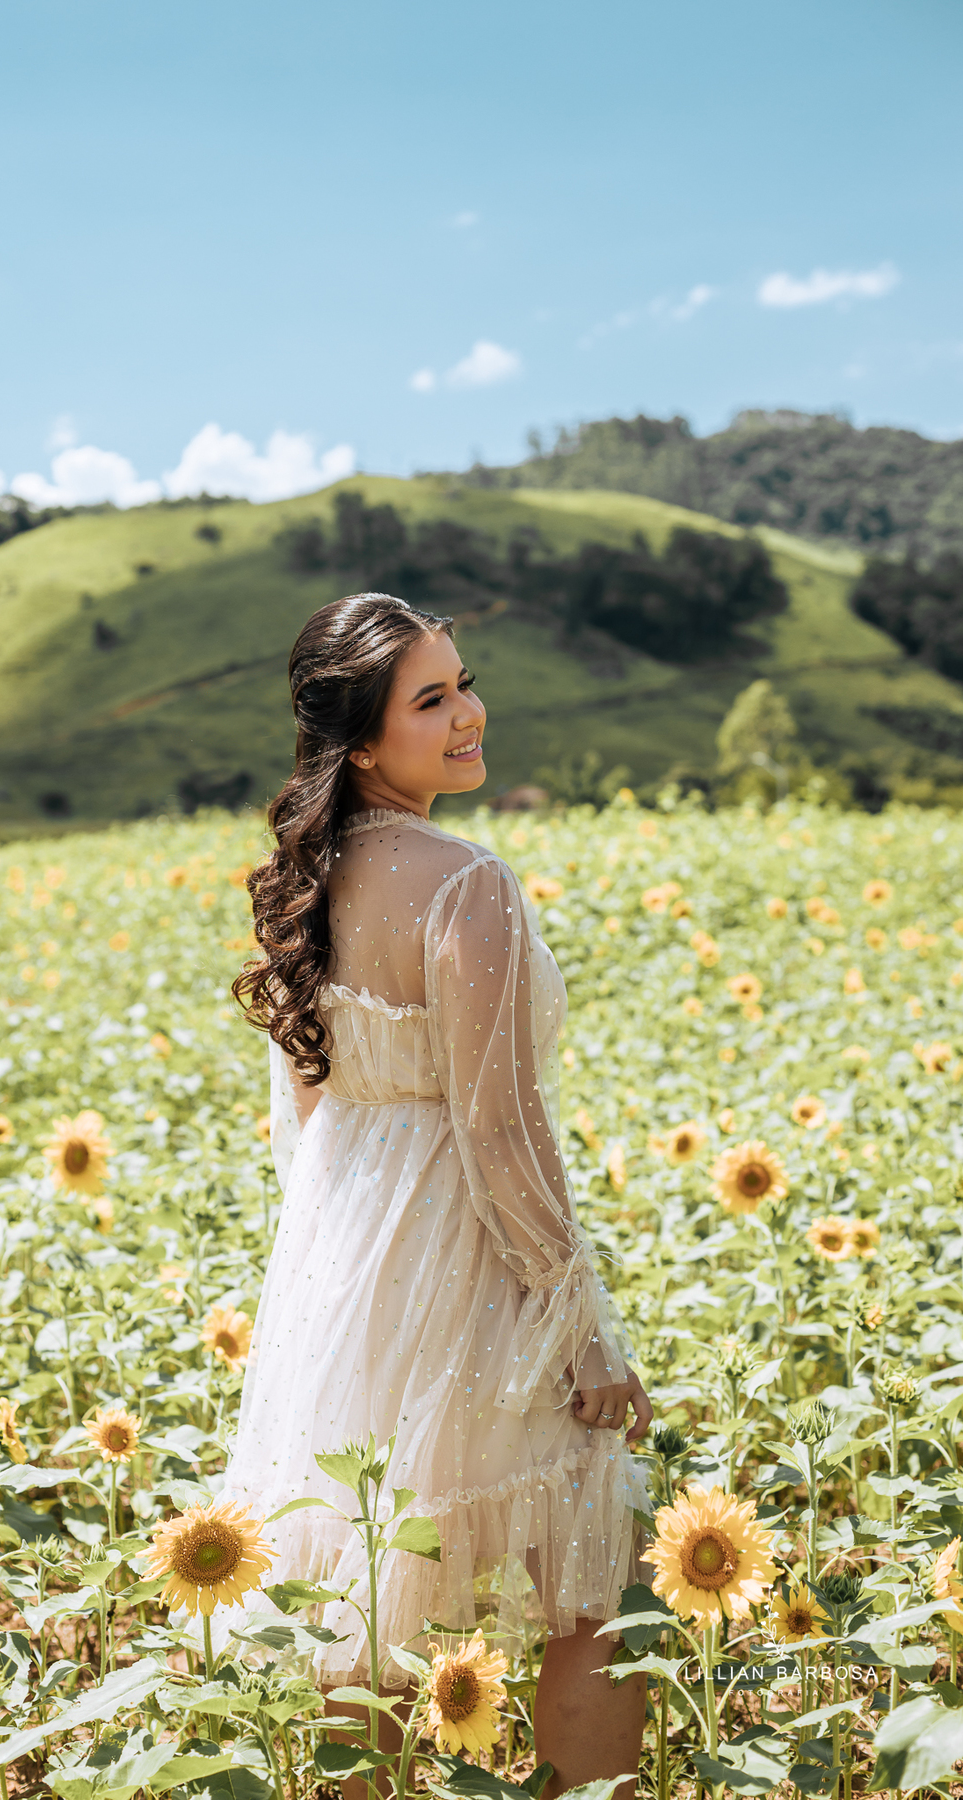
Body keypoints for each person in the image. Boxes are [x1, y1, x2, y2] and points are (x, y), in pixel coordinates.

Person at [228, 593, 653, 1795]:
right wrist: (575, 1325)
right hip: (471, 1256)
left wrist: (328, 1282)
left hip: (346, 1264)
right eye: (431, 698)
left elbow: (303, 1121)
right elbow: (499, 1130)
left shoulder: (307, 881)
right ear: (362, 742)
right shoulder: (465, 883)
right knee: (600, 1585)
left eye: (463, 681)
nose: (469, 713)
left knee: (365, 1606)